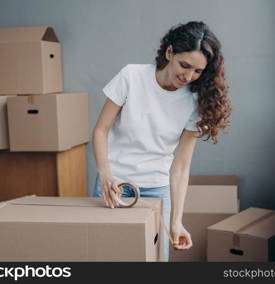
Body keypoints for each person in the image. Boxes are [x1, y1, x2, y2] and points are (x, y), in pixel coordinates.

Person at [92, 21, 231, 262]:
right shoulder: (131, 77)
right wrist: (105, 174)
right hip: (114, 185)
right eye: (184, 65)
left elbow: (181, 166)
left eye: (197, 71)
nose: (188, 76)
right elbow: (100, 130)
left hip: (157, 187)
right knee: (108, 258)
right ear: (169, 53)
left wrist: (176, 220)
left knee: (155, 261)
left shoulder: (195, 100)